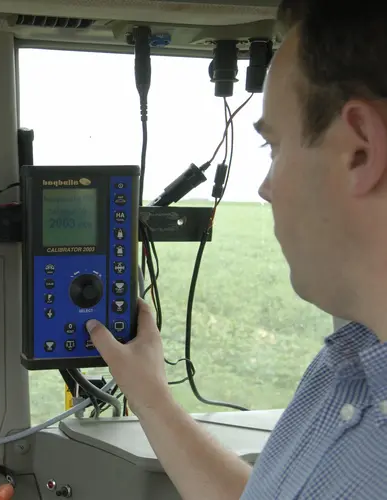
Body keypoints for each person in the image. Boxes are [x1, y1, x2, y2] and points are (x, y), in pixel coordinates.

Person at [86, 1, 387, 498]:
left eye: (274, 147)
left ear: (361, 151)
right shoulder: (348, 363)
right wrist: (150, 395)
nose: (267, 188)